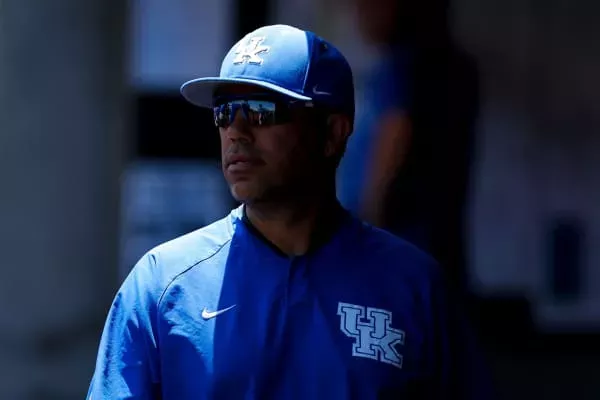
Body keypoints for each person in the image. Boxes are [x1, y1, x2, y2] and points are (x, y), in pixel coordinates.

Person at [87, 24, 492, 399]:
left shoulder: (415, 287)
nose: (236, 132)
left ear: (332, 133)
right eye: (224, 112)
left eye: (260, 111)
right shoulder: (161, 284)